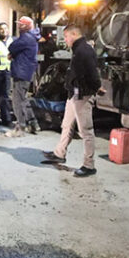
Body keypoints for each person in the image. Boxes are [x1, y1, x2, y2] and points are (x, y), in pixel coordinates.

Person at [42, 24, 105, 177]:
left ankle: (89, 165)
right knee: (66, 125)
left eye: (66, 36)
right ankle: (59, 153)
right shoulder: (79, 49)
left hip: (82, 95)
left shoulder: (84, 50)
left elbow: (93, 74)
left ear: (74, 34)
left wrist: (96, 88)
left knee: (86, 131)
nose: (65, 40)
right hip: (74, 94)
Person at [6, 16, 40, 137]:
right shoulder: (32, 37)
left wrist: (12, 53)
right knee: (23, 98)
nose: (18, 26)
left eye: (20, 24)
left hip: (21, 72)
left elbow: (12, 47)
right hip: (26, 72)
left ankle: (20, 127)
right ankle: (33, 122)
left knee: (17, 100)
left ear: (25, 26)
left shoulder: (26, 37)